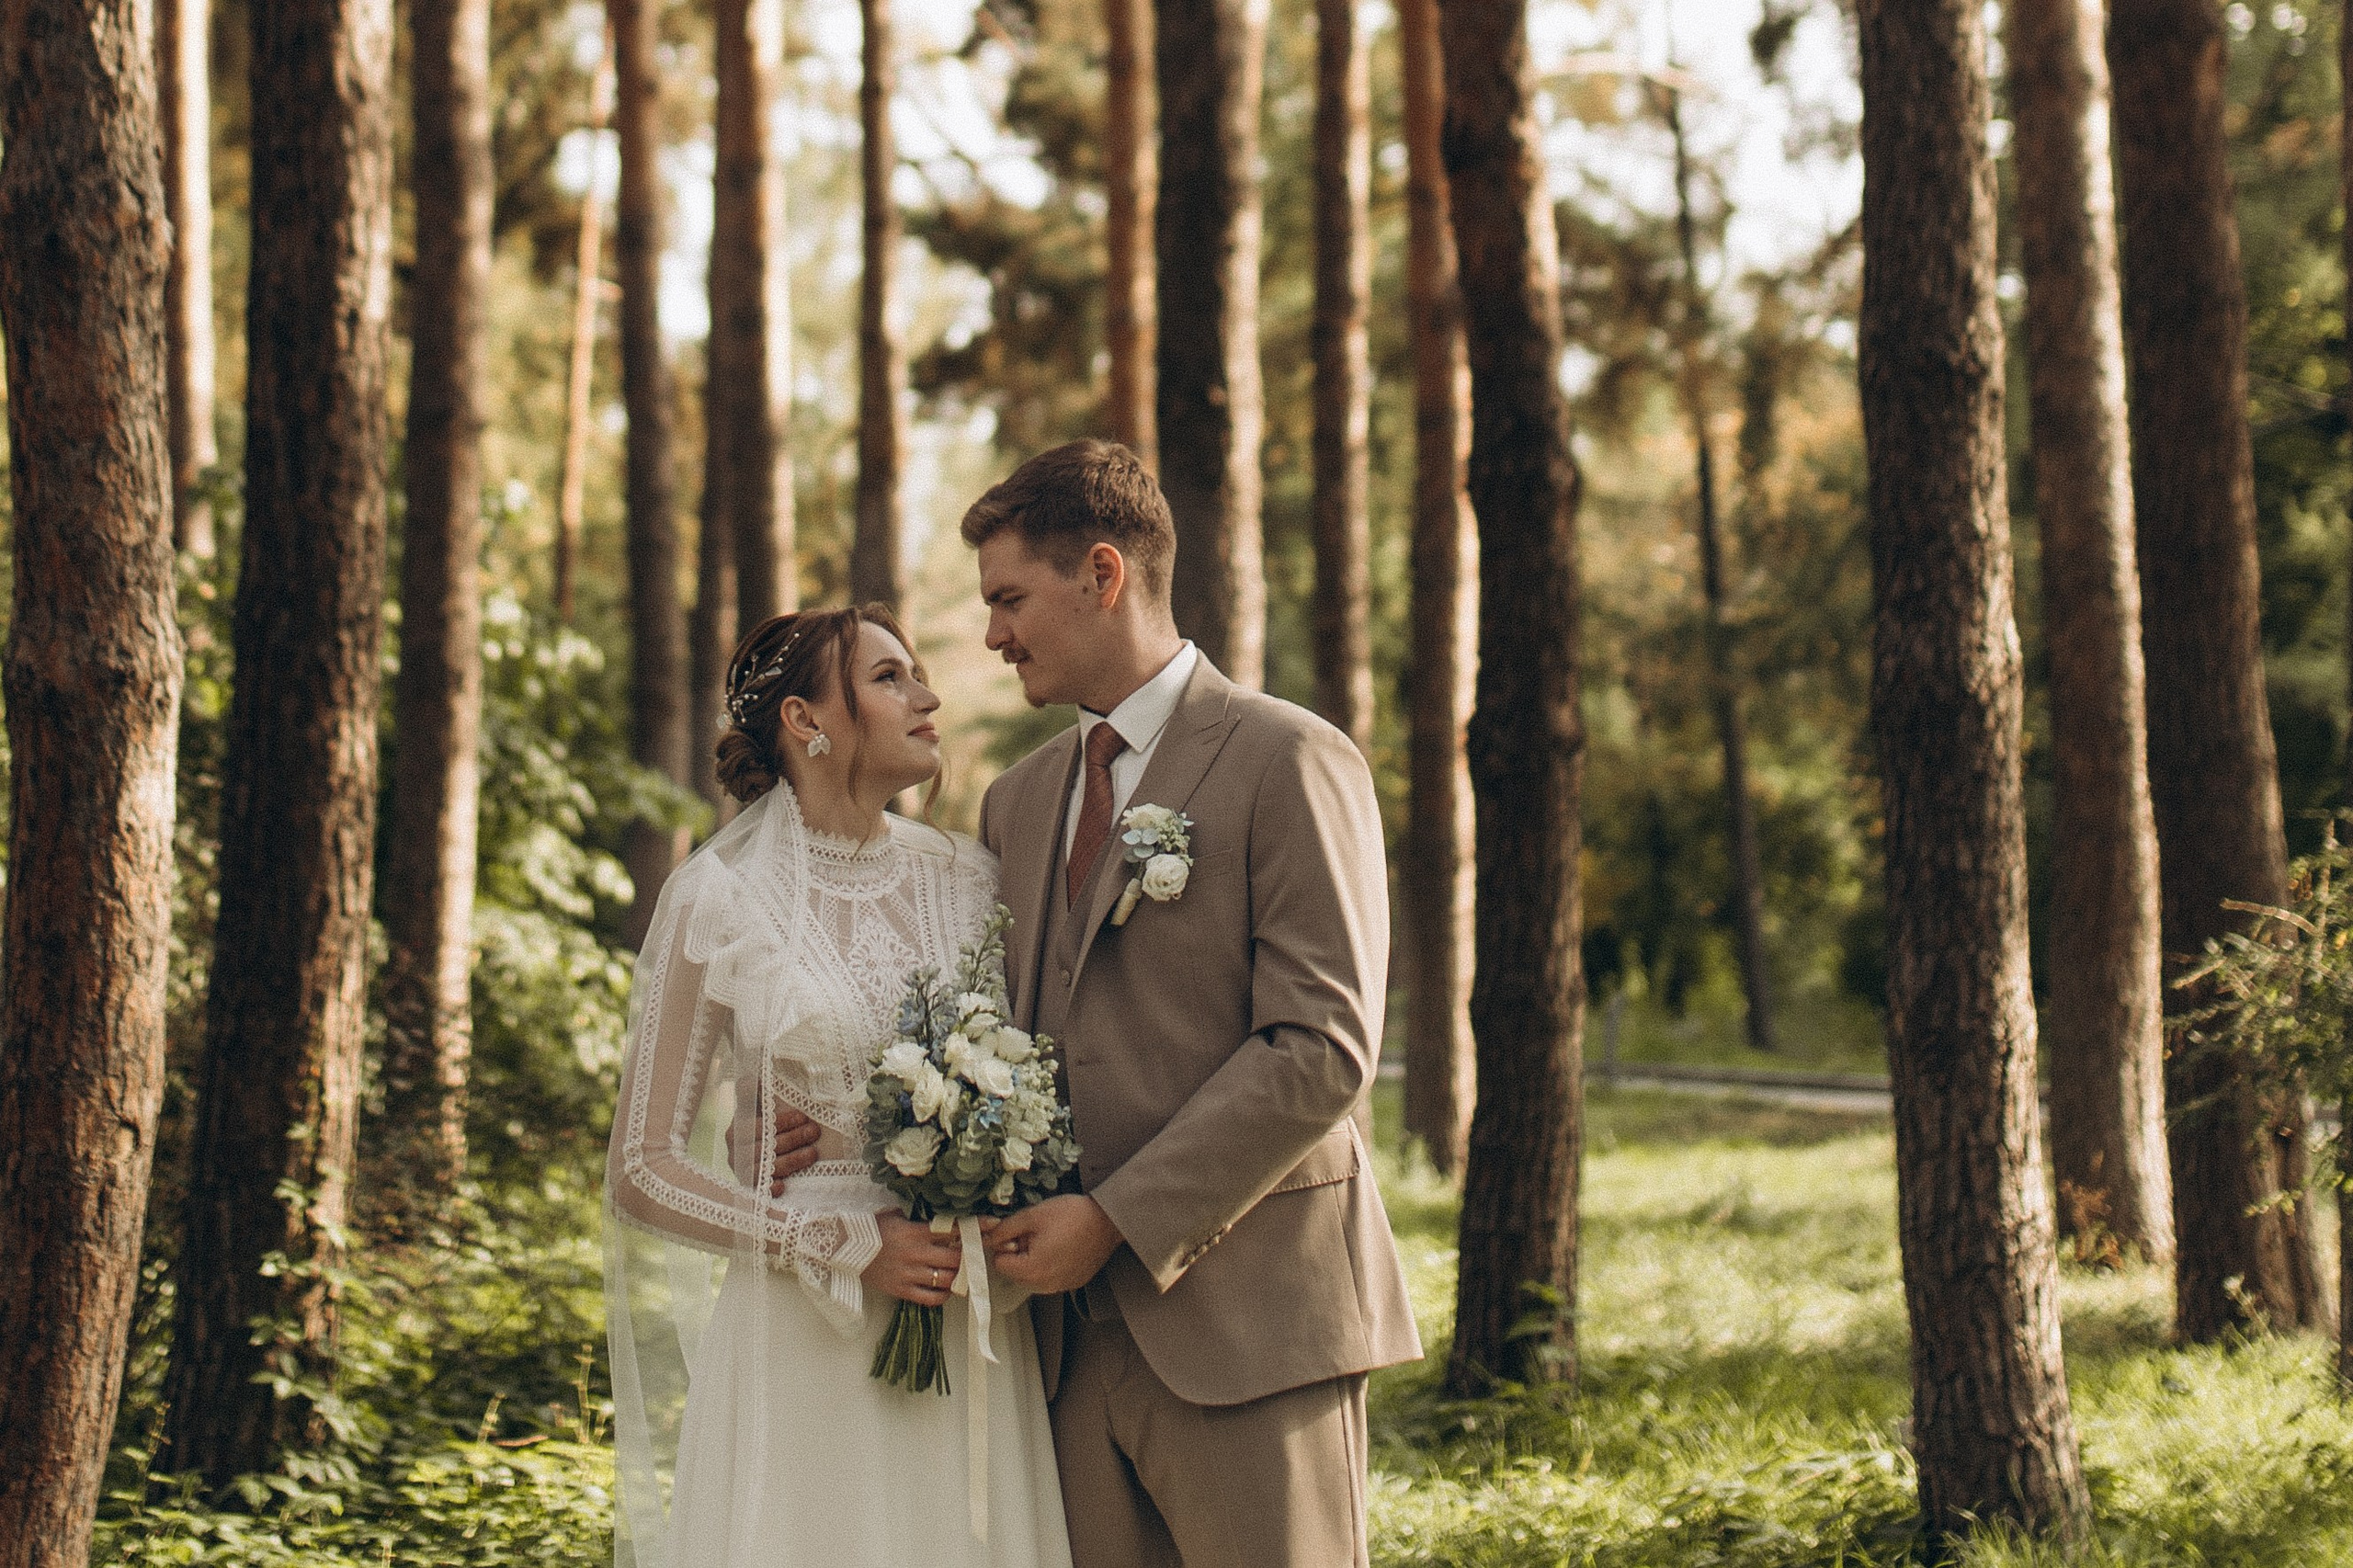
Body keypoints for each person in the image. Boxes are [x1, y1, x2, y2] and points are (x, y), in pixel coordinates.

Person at [972, 439, 1421, 1567]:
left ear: (1104, 573)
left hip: (1252, 1327)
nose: (992, 635)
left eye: (1010, 598)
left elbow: (1320, 1047)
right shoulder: (1015, 803)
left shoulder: (1289, 758)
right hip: (1065, 1354)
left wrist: (1114, 1217)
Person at [602, 605, 1073, 1568]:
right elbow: (641, 1168)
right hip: (805, 1323)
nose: (928, 695)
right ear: (805, 719)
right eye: (890, 676)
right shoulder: (718, 899)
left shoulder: (973, 878)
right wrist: (836, 1239)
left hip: (963, 1305)